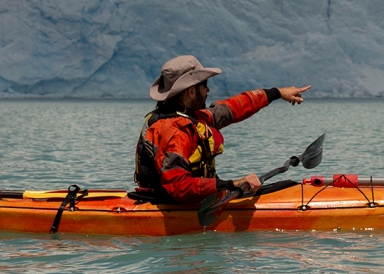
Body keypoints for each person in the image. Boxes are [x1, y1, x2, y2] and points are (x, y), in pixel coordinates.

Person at [133, 55, 310, 205]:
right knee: (288, 188)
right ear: (192, 92)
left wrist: (277, 93)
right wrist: (233, 183)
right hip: (177, 204)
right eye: (204, 86)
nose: (208, 90)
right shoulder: (177, 131)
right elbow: (179, 187)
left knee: (288, 184)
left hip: (195, 200)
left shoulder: (191, 118)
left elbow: (232, 108)